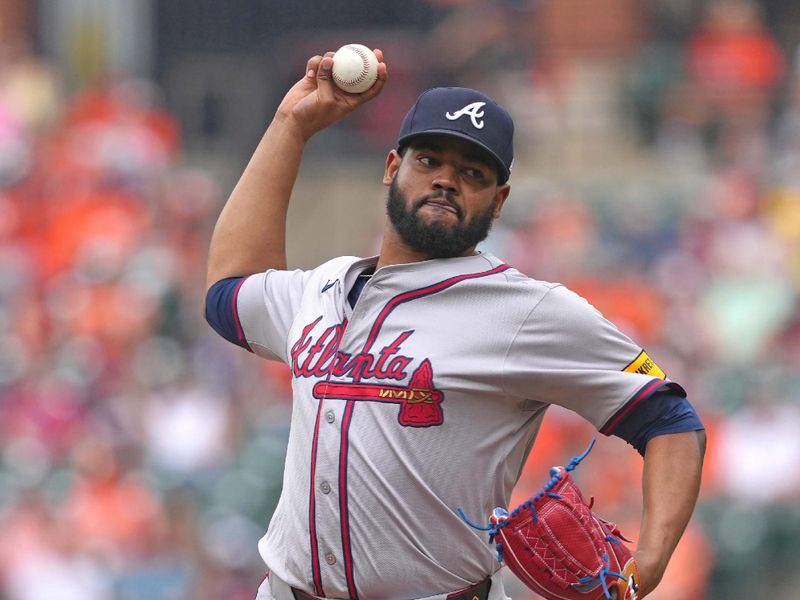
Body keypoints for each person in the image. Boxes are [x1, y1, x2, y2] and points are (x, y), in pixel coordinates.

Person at [203, 49, 706, 600]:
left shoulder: (527, 311)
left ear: (499, 201)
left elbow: (669, 419)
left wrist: (651, 560)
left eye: (472, 173)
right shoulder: (319, 289)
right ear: (393, 168)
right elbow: (229, 290)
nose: (446, 180)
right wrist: (289, 128)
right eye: (429, 161)